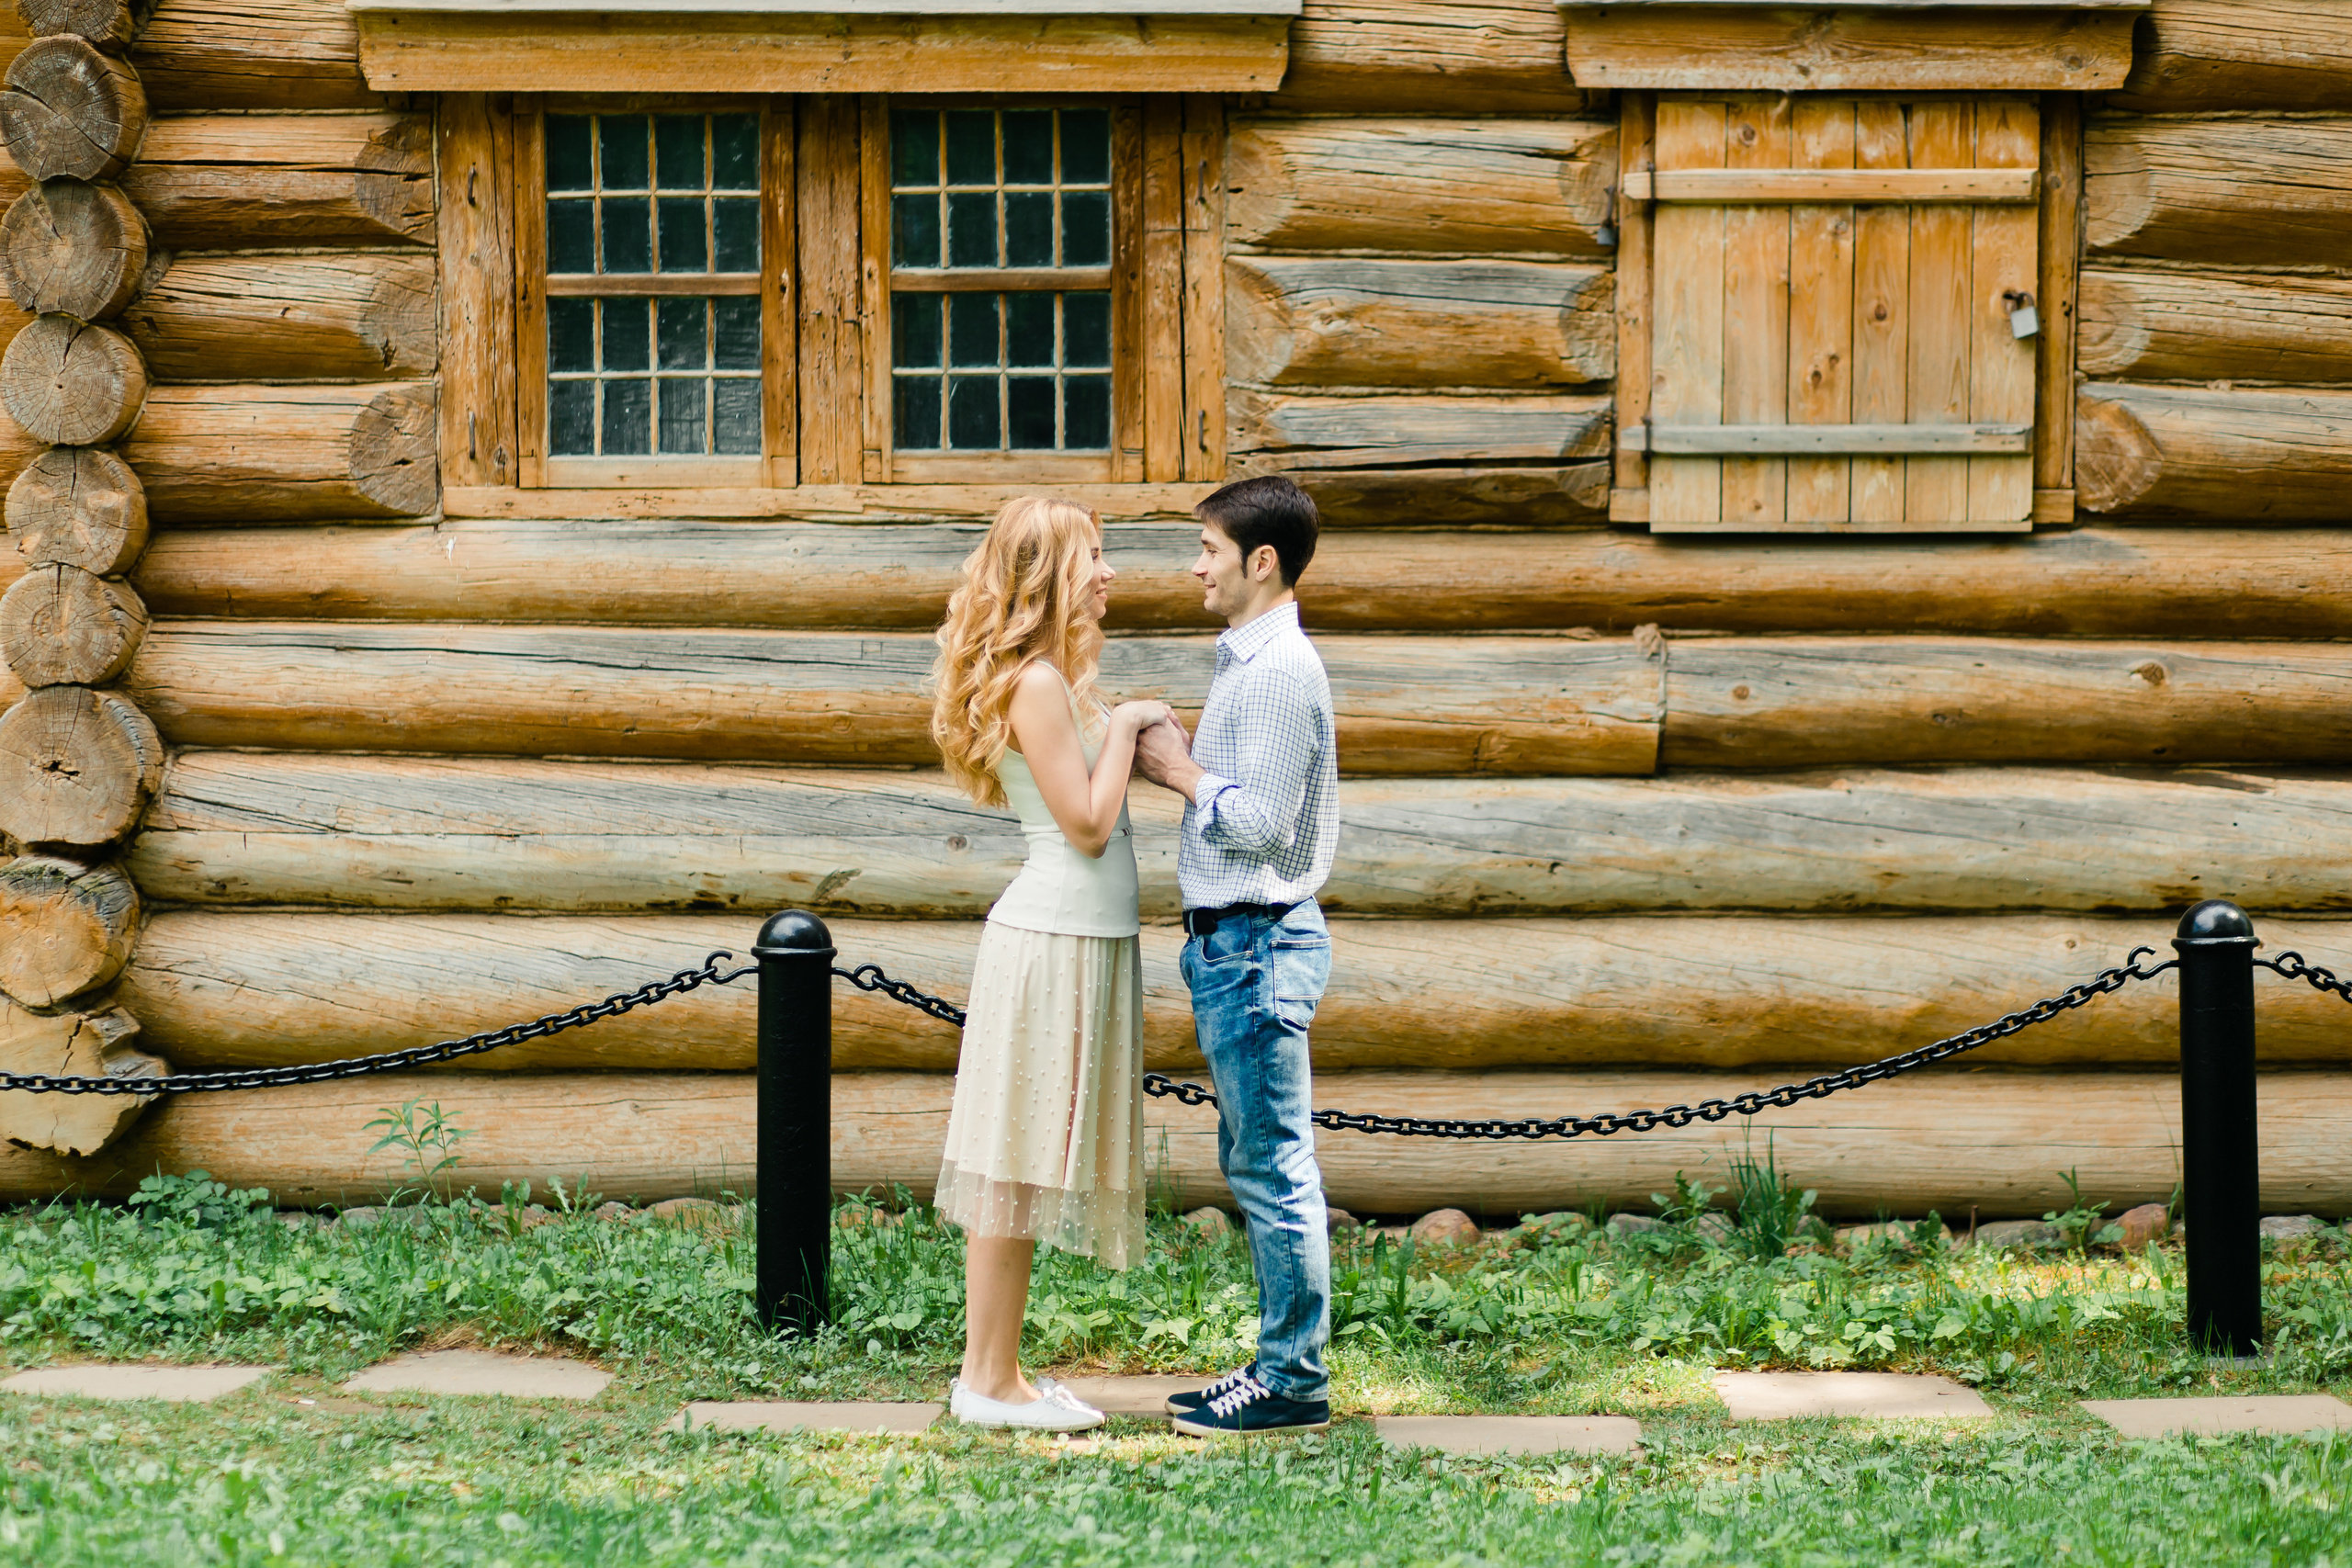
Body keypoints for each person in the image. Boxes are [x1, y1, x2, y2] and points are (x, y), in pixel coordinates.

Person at [928, 496, 1174, 1432]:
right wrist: (1124, 727)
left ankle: (1002, 1376)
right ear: (1051, 576)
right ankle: (984, 1383)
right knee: (1011, 1166)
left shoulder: (1056, 682)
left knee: (1023, 1169)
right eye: (1095, 557)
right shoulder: (1035, 683)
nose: (1109, 572)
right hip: (1050, 941)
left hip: (1082, 940)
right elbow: (1084, 824)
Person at [1133, 474, 1340, 1437]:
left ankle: (1291, 1381)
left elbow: (1259, 822)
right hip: (1241, 947)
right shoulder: (1250, 663)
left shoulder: (1273, 671)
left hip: (1253, 943)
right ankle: (1276, 1364)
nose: (1195, 565)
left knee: (1272, 1167)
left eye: (1207, 549)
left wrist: (1175, 769)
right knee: (1260, 1159)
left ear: (1261, 561)